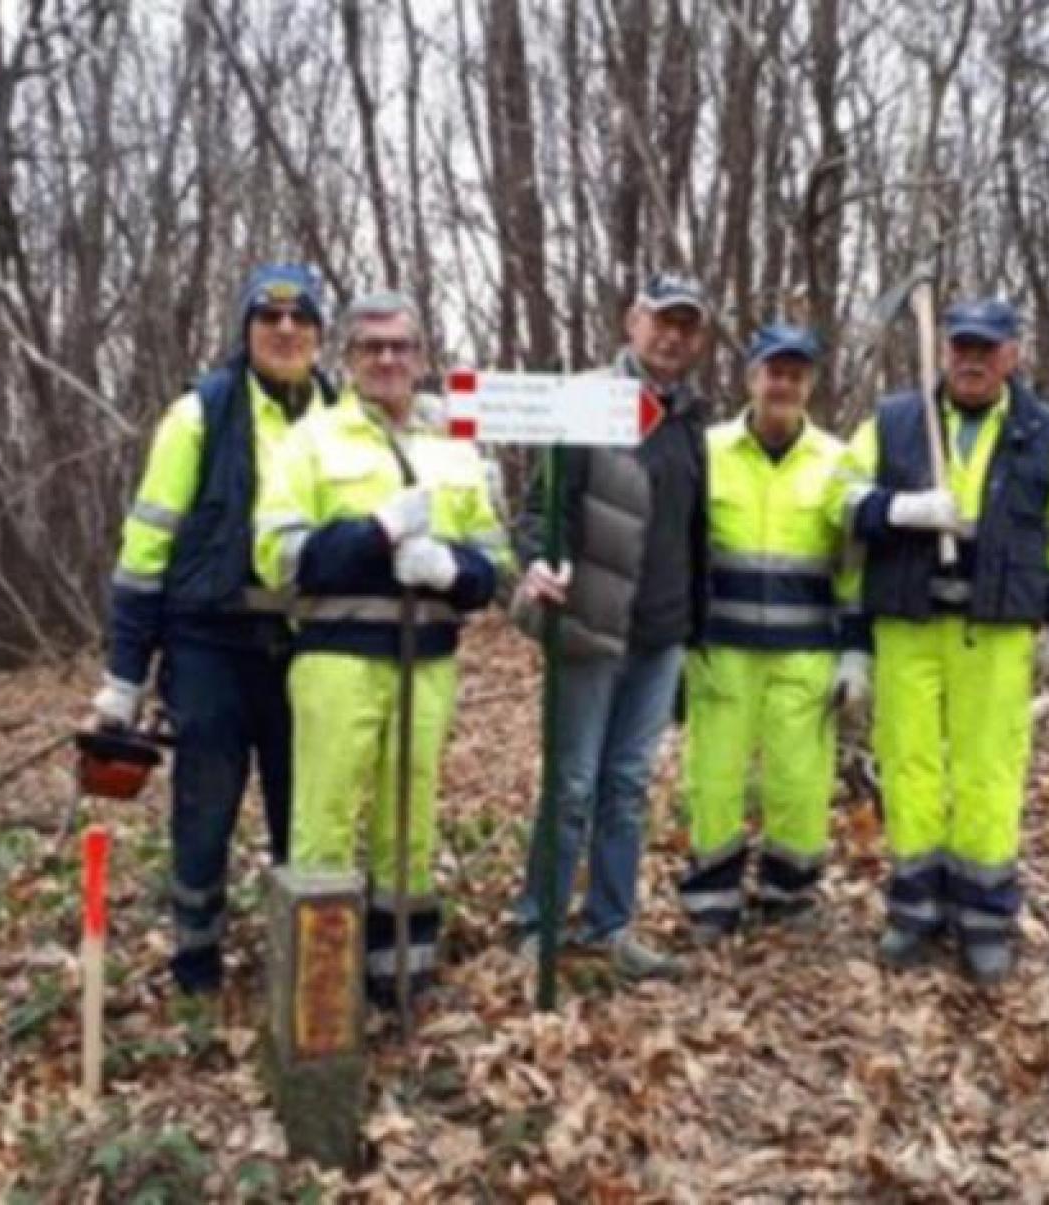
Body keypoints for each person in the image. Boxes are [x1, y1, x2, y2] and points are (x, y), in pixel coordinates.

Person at [254, 290, 510, 1007]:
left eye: (400, 346)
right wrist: (375, 534)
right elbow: (280, 558)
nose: (388, 359)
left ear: (421, 356)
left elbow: (494, 565)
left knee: (412, 819)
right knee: (325, 818)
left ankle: (402, 972)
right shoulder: (311, 440)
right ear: (349, 358)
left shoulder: (454, 447)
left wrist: (452, 569)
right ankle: (319, 989)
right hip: (338, 659)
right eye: (372, 347)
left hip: (428, 660)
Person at [828, 298, 1049, 984]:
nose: (972, 360)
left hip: (997, 628)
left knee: (989, 772)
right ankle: (914, 910)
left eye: (988, 348)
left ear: (1012, 355)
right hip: (908, 623)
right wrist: (900, 509)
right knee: (910, 766)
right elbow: (839, 500)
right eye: (961, 347)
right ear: (943, 351)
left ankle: (984, 916)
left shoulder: (1043, 433)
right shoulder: (895, 422)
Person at [92, 263, 333, 994]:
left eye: (301, 319)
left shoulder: (341, 416)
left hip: (306, 647)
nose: (285, 331)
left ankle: (302, 965)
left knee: (307, 811)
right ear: (246, 328)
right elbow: (144, 555)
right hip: (209, 646)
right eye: (269, 317)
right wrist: (123, 679)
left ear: (321, 333)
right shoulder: (198, 414)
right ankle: (196, 964)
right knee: (204, 811)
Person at [511, 272, 711, 981]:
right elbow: (538, 512)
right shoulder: (589, 403)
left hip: (660, 637)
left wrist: (695, 626)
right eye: (663, 320)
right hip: (591, 626)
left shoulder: (690, 415)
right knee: (571, 786)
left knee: (626, 785)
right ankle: (537, 921)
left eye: (688, 325)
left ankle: (612, 924)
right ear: (634, 321)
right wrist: (538, 564)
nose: (673, 336)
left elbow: (692, 531)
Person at [679, 324, 869, 941]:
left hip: (806, 650)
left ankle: (790, 894)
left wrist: (855, 652)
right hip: (721, 649)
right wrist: (678, 641)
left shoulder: (839, 462)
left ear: (810, 384)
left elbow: (854, 567)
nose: (783, 384)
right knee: (714, 774)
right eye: (773, 371)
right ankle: (712, 893)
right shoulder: (706, 452)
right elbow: (680, 549)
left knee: (799, 779)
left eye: (796, 374)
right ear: (751, 378)